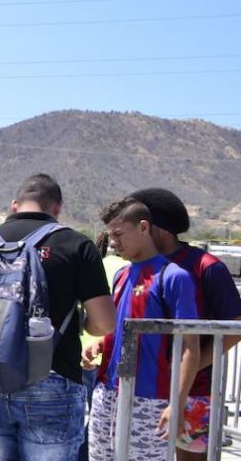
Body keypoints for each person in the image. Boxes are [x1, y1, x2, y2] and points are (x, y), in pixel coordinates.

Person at [0, 173, 116, 461]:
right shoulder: (76, 245)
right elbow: (104, 322)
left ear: (15, 205)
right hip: (52, 378)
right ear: (57, 207)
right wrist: (77, 323)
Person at [85, 197, 200, 461]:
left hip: (149, 400)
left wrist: (177, 403)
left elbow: (189, 347)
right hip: (106, 394)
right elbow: (123, 326)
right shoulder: (121, 275)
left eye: (118, 233)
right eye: (110, 234)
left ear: (144, 227)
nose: (113, 241)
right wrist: (101, 345)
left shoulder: (174, 277)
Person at [128, 188, 239, 460]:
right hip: (145, 388)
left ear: (158, 228)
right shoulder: (141, 266)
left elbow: (236, 327)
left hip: (194, 391)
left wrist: (188, 368)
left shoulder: (206, 266)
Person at [77, 231, 129, 461]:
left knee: (85, 422)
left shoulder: (95, 265)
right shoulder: (128, 270)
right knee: (103, 425)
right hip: (107, 355)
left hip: (83, 350)